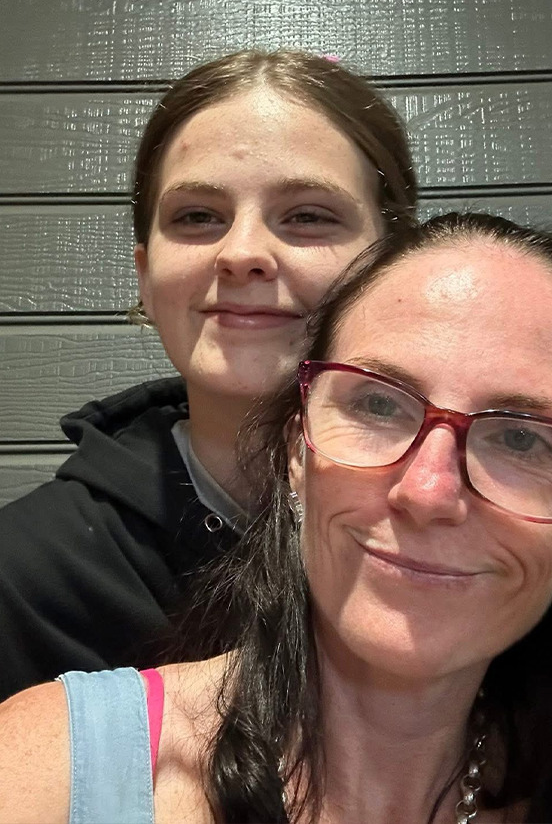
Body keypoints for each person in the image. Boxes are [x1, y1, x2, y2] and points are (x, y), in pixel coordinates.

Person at [1, 212, 552, 823]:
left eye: (521, 438)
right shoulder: (47, 774)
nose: (427, 493)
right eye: (377, 405)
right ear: (296, 455)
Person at [0, 48, 417, 701]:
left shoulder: (488, 531)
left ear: (396, 265)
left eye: (307, 215)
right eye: (198, 217)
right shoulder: (23, 578)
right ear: (145, 272)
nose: (243, 253)